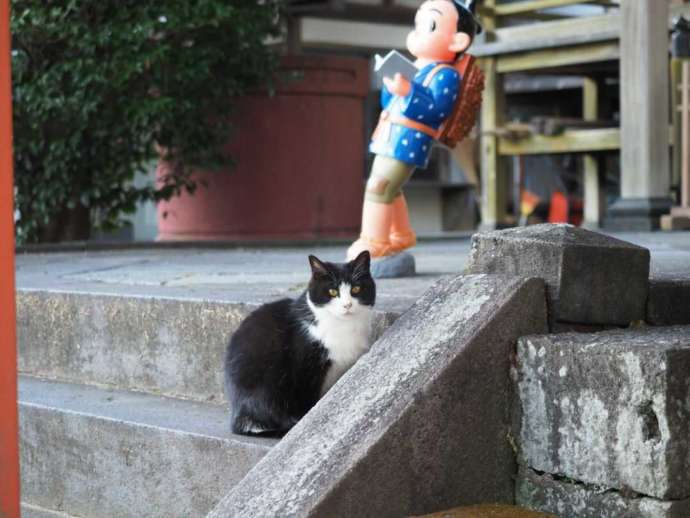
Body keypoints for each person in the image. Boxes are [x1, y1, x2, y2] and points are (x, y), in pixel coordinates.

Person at [347, 0, 482, 260]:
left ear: (457, 41)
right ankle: (400, 235)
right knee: (390, 187)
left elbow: (436, 109)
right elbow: (391, 102)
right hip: (389, 132)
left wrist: (408, 91)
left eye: (429, 25)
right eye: (418, 24)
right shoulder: (418, 66)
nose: (418, 32)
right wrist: (392, 87)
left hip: (410, 138)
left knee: (379, 185)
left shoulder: (446, 74)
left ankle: (374, 241)